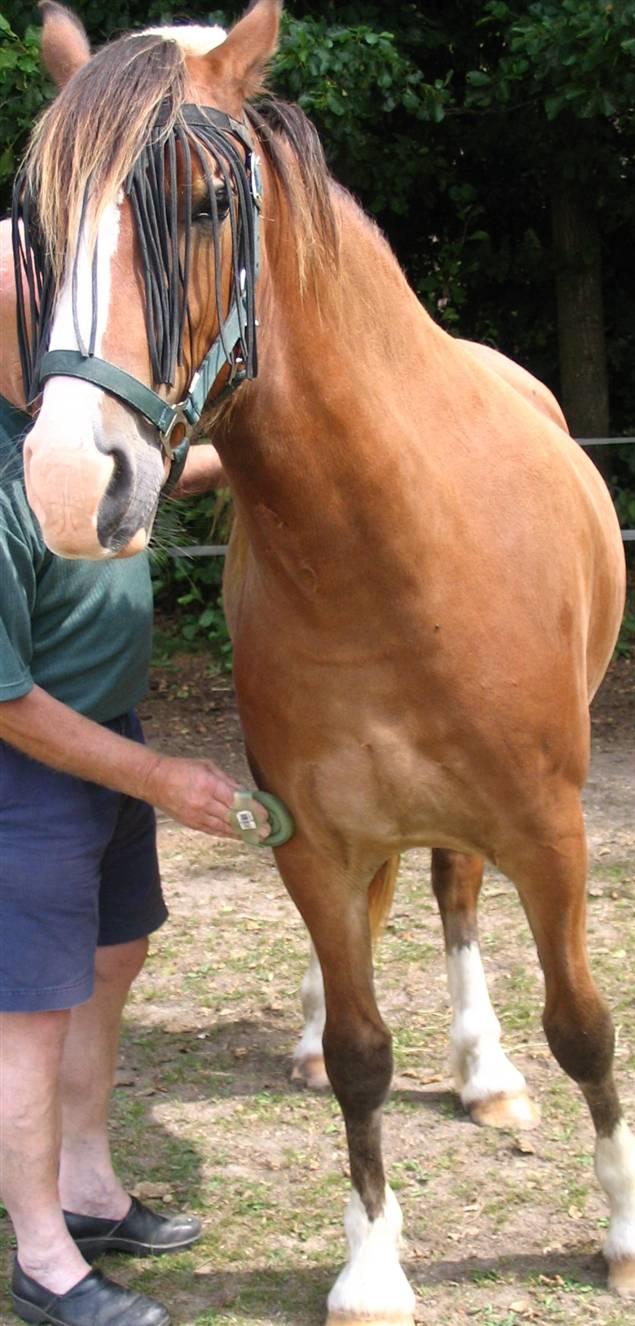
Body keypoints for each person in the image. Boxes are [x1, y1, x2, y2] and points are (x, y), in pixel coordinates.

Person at [0, 215, 269, 1326]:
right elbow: (7, 703)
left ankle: (90, 1185)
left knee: (113, 960)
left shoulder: (68, 435)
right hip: (32, 772)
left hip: (105, 743)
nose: (66, 297)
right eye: (39, 281)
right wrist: (158, 778)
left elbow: (169, 473)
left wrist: (273, 453)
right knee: (28, 1015)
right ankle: (43, 1257)